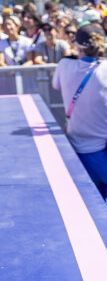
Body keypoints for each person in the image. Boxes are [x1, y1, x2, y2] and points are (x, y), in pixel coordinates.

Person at [52, 24, 107, 199]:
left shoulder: (64, 65)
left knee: (89, 206)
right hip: (103, 150)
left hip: (76, 153)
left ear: (77, 45)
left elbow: (56, 85)